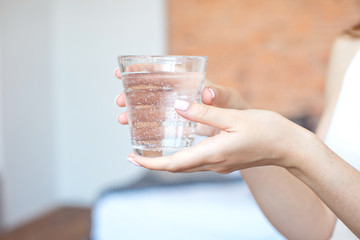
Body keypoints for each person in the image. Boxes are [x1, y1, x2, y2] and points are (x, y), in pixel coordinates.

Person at [114, 22, 360, 239]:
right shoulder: (350, 43)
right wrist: (238, 116)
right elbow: (320, 227)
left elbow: (307, 154)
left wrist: (295, 147)